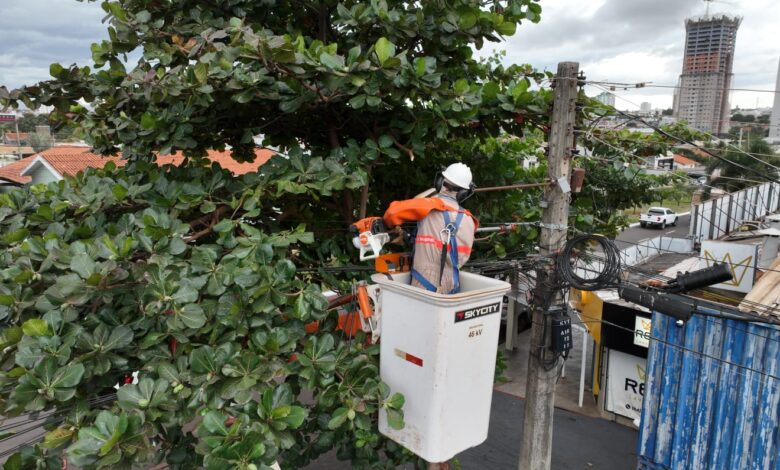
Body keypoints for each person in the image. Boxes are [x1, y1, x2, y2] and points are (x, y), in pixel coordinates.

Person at [382, 163, 478, 294]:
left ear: (440, 182)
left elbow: (391, 213)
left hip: (425, 280)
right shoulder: (470, 220)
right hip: (453, 283)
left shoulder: (429, 206)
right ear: (463, 193)